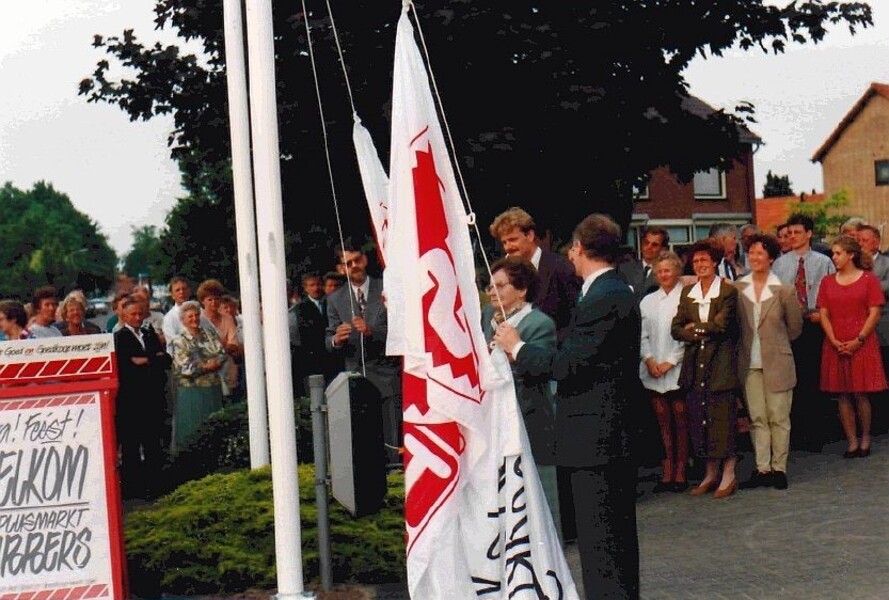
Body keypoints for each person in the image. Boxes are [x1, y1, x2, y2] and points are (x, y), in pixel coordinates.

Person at [494, 213, 639, 600]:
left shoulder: (605, 296)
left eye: (572, 249)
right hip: (602, 437)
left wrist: (517, 347)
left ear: (579, 248)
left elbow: (566, 365)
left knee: (602, 543)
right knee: (609, 541)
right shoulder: (606, 292)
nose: (569, 256)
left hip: (597, 438)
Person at [481, 256, 560, 532]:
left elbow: (536, 368)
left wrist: (512, 350)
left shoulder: (539, 323)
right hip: (493, 422)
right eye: (490, 286)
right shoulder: (485, 318)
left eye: (500, 286)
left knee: (536, 500)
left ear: (522, 289)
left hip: (529, 420)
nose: (492, 292)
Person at [671, 238, 741, 499]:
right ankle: (710, 473)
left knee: (722, 418)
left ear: (715, 262)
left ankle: (729, 473)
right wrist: (696, 332)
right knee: (701, 420)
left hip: (720, 363)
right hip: (695, 365)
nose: (700, 264)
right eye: (696, 261)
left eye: (705, 260)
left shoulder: (727, 292)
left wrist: (696, 328)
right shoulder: (688, 293)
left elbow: (722, 326)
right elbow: (676, 328)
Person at [735, 234, 803, 490]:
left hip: (777, 362)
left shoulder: (784, 290)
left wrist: (776, 344)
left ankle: (779, 468)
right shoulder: (739, 288)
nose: (755, 257)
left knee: (779, 416)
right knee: (757, 417)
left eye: (760, 253)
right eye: (751, 252)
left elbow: (794, 328)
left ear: (771, 258)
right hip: (748, 363)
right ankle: (761, 468)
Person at [326, 246, 402, 463]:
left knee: (392, 436)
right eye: (348, 264)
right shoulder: (335, 299)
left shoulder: (387, 288)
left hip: (387, 374)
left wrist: (371, 331)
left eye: (357, 260)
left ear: (365, 259)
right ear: (341, 269)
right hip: (356, 377)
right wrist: (336, 339)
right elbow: (328, 339)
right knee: (363, 442)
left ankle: (396, 474)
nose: (354, 267)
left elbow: (403, 330)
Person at [817, 235, 887, 458]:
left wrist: (859, 339)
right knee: (843, 394)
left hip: (861, 341)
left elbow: (874, 311)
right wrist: (834, 340)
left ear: (851, 255)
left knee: (860, 393)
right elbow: (824, 313)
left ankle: (865, 436)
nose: (834, 258)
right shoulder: (827, 282)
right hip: (836, 342)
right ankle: (851, 440)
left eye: (838, 253)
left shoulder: (868, 280)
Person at [772, 213, 836, 451]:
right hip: (790, 323)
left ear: (809, 234)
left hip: (815, 321)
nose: (792, 237)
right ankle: (797, 432)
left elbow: (830, 291)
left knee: (814, 375)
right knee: (793, 376)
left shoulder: (823, 261)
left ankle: (817, 433)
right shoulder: (780, 264)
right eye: (789, 234)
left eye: (797, 232)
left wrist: (823, 313)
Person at [489, 207, 581, 340]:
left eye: (513, 239)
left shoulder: (560, 268)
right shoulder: (501, 271)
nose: (508, 247)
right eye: (504, 242)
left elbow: (574, 317)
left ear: (530, 236)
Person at [639, 251, 687, 493]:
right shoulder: (647, 301)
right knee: (662, 422)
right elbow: (642, 334)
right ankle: (666, 470)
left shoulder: (686, 298)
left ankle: (681, 471)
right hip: (653, 370)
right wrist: (649, 360)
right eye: (659, 271)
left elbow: (687, 334)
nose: (663, 275)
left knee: (680, 418)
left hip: (678, 368)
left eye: (667, 270)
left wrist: (670, 361)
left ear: (677, 271)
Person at [113, 297, 171, 498]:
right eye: (133, 315)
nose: (137, 318)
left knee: (153, 443)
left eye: (140, 314)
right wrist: (153, 359)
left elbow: (165, 359)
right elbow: (127, 365)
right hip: (131, 401)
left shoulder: (149, 333)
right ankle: (132, 488)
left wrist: (147, 360)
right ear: (124, 316)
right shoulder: (119, 337)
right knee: (131, 446)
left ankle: (155, 485)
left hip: (153, 397)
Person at [170, 300, 227, 451]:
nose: (194, 319)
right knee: (192, 432)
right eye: (190, 316)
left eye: (196, 315)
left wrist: (214, 363)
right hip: (191, 393)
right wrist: (206, 366)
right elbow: (184, 368)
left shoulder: (209, 334)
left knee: (214, 429)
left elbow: (221, 353)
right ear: (182, 320)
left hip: (213, 389)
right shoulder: (179, 341)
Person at [197, 279, 242, 401]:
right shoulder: (198, 320)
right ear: (203, 301)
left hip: (227, 368)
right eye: (209, 299)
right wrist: (221, 345)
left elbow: (233, 344)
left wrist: (218, 348)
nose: (213, 302)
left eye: (216, 298)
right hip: (206, 369)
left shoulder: (227, 319)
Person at [618, 225, 669, 302]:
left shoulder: (666, 273)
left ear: (663, 249)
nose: (649, 247)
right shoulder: (625, 269)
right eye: (646, 242)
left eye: (654, 245)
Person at [162, 276, 192, 352]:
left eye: (184, 289)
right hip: (179, 358)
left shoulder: (200, 312)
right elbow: (175, 341)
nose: (181, 292)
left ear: (189, 291)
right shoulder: (168, 318)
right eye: (177, 290)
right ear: (172, 295)